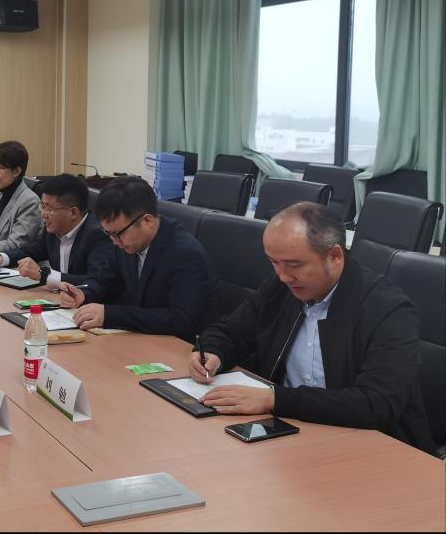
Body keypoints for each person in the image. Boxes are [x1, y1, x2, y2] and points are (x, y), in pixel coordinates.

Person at [188, 202, 436, 453]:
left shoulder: (387, 309)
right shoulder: (281, 288)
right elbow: (231, 331)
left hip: (372, 444)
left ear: (335, 256)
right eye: (274, 262)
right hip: (292, 431)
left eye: (294, 265)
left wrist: (275, 399)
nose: (283, 276)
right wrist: (212, 352)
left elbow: (377, 403)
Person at [59, 175, 219, 342]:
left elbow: (179, 320)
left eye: (117, 234)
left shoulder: (186, 254)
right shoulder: (127, 240)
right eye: (108, 233)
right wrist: (84, 294)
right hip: (142, 339)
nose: (114, 241)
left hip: (181, 347)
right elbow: (107, 280)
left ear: (147, 221)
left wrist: (110, 315)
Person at [0, 173, 108, 289]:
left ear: (73, 212)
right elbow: (32, 251)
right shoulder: (55, 228)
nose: (43, 214)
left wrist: (44, 274)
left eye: (49, 208)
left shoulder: (98, 235)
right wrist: (2, 259)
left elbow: (97, 282)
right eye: (43, 206)